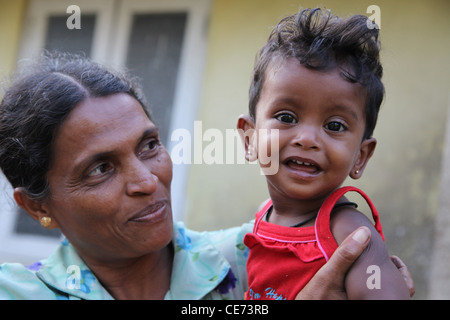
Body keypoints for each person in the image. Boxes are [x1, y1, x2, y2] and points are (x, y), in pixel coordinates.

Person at [0, 51, 413, 300]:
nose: (147, 180)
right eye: (101, 168)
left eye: (149, 146)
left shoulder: (253, 256)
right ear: (37, 206)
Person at [237, 8, 411, 300]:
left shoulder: (350, 233)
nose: (307, 139)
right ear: (250, 138)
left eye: (334, 125)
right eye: (287, 117)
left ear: (361, 156)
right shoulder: (263, 215)